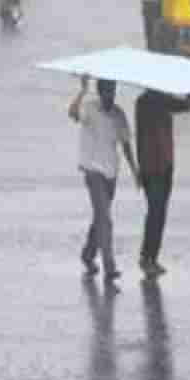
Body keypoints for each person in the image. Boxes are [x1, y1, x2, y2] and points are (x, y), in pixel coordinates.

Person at [69, 77, 139, 282]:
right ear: (100, 92)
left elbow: (126, 145)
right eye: (107, 91)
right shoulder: (90, 109)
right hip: (93, 171)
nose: (111, 95)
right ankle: (110, 267)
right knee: (106, 219)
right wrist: (82, 91)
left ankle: (88, 254)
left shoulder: (119, 114)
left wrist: (135, 172)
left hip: (111, 173)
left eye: (113, 91)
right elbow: (72, 114)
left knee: (100, 217)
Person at [135, 89, 190, 278]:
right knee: (156, 212)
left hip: (164, 165)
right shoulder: (147, 101)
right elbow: (184, 105)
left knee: (159, 213)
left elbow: (185, 106)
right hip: (152, 167)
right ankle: (147, 258)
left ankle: (150, 257)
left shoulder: (159, 99)